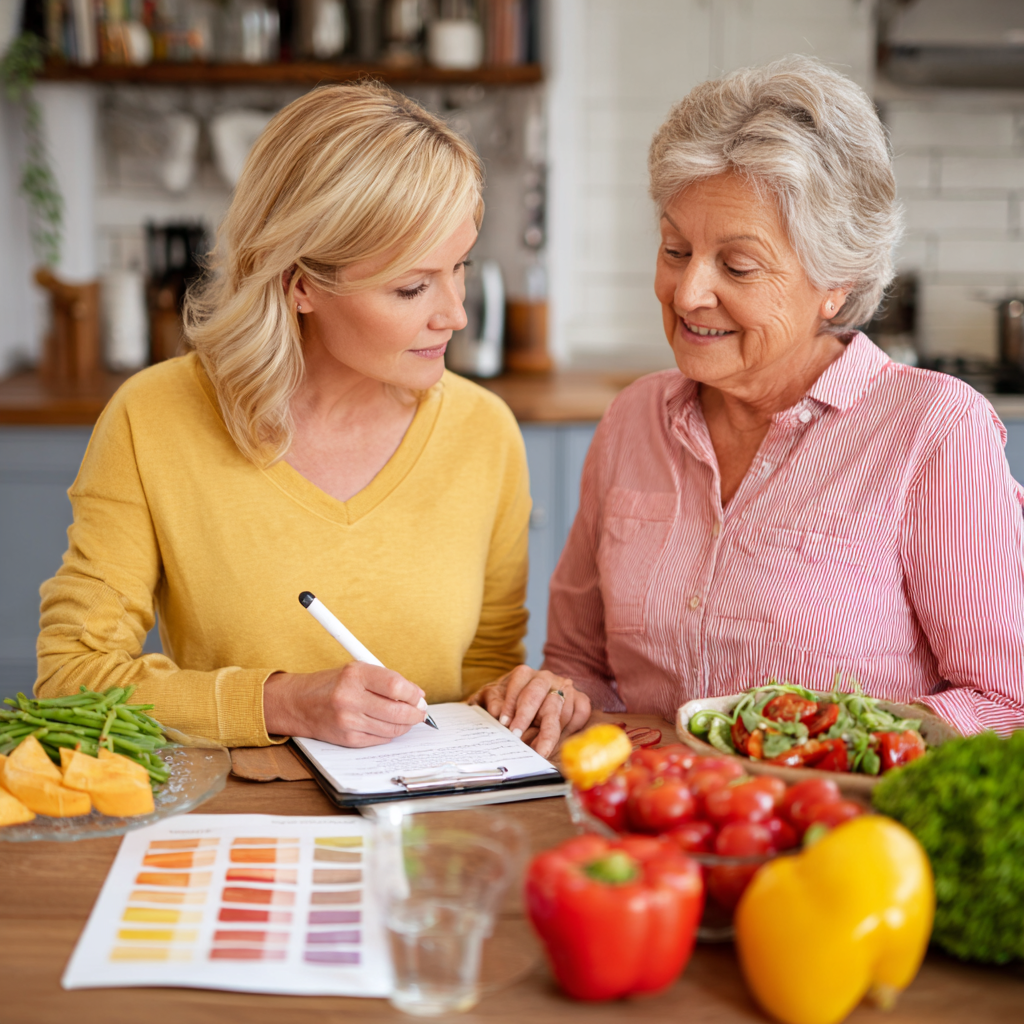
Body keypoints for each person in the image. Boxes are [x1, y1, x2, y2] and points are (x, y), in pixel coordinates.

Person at [36, 83, 589, 754]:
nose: (455, 314)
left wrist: (523, 696)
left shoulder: (484, 433)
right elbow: (70, 682)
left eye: (460, 268)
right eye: (412, 287)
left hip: (426, 830)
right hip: (236, 831)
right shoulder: (154, 419)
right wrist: (283, 702)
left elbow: (482, 677)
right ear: (301, 285)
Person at [543, 55, 1024, 737]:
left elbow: (1005, 705)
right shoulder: (633, 419)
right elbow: (577, 663)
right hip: (655, 823)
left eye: (737, 265)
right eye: (676, 250)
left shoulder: (934, 429)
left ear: (837, 279)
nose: (687, 294)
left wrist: (818, 748)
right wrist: (555, 698)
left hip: (842, 833)